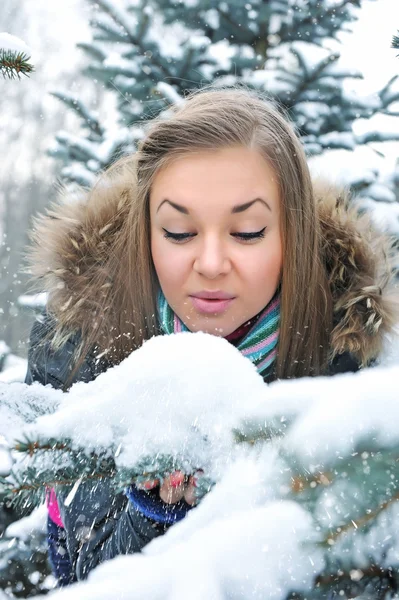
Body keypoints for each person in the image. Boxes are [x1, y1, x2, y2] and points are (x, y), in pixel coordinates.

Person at [24, 86, 398, 586]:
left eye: (247, 232)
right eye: (179, 233)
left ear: (294, 233)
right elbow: (78, 574)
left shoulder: (355, 362)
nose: (212, 264)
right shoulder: (75, 343)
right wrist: (152, 516)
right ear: (146, 233)